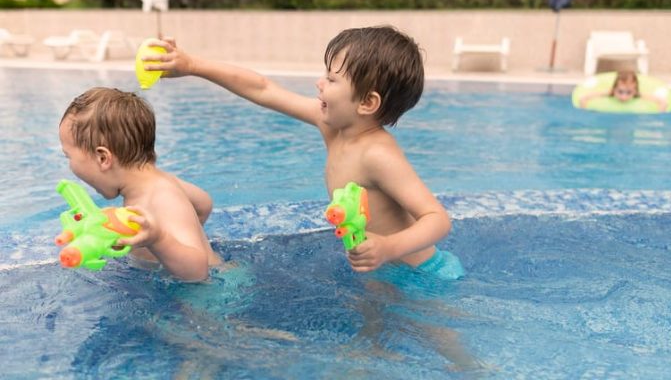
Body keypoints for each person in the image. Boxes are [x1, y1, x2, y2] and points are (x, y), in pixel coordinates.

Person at [141, 25, 464, 281]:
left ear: (367, 103)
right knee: (373, 327)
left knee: (445, 346)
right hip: (376, 263)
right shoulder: (332, 125)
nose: (318, 84)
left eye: (332, 79)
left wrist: (388, 247)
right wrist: (193, 65)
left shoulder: (377, 155)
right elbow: (263, 89)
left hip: (421, 274)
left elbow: (437, 220)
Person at [59, 87, 223, 282]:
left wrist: (159, 239)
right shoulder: (163, 180)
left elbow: (198, 271)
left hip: (208, 301)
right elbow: (204, 203)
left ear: (103, 158)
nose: (69, 165)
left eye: (68, 156)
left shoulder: (159, 198)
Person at [579, 70, 668, 111]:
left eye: (629, 92)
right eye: (620, 92)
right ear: (614, 89)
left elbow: (662, 102)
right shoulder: (610, 93)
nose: (624, 97)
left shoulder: (637, 95)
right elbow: (584, 98)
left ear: (635, 90)